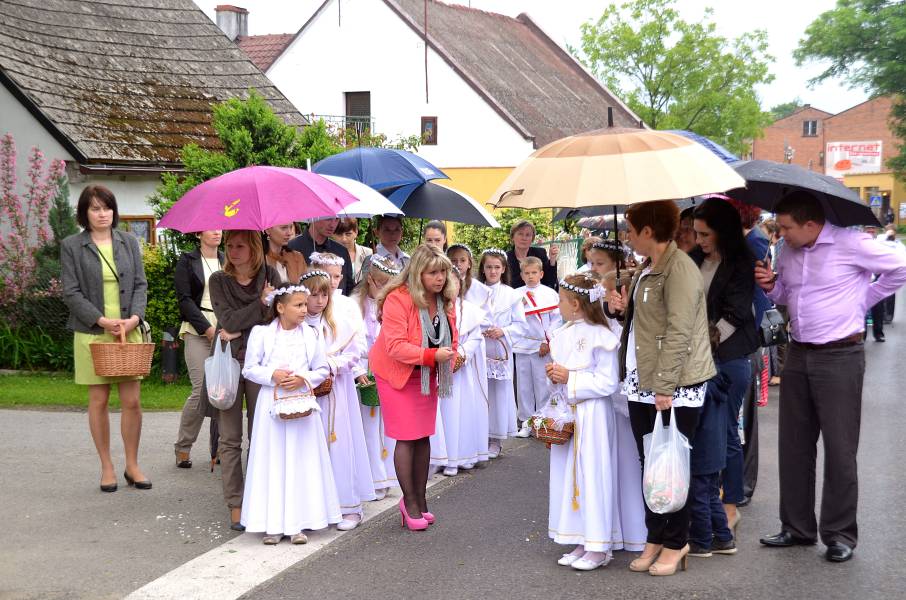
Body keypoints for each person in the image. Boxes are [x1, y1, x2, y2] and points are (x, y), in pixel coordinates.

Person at [755, 191, 906, 563]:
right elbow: (788, 294)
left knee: (839, 449)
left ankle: (839, 534)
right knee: (794, 445)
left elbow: (901, 265)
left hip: (840, 355)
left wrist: (864, 299)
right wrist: (771, 285)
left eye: (786, 227)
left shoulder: (851, 243)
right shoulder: (789, 251)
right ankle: (796, 527)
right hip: (799, 352)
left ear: (811, 224)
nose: (781, 234)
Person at [607, 200, 716, 576]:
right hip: (644, 380)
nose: (628, 236)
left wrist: (666, 386)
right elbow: (647, 322)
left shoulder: (679, 268)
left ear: (648, 231)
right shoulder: (647, 267)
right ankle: (655, 536)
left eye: (631, 230)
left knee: (673, 464)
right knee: (650, 462)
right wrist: (620, 309)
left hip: (672, 383)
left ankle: (676, 541)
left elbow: (679, 332)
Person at [61, 185, 150, 492]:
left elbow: (140, 284)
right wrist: (100, 320)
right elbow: (71, 292)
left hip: (128, 331)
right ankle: (107, 466)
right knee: (98, 402)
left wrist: (134, 318)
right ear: (84, 213)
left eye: (107, 207)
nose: (103, 214)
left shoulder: (129, 241)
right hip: (93, 331)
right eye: (95, 208)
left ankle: (132, 465)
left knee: (132, 402)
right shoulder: (72, 246)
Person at [240, 283, 340, 544]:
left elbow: (321, 369)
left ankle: (299, 523)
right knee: (273, 460)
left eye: (305, 304)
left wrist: (303, 378)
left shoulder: (311, 334)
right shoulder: (261, 334)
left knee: (301, 459)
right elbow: (249, 368)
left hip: (302, 403)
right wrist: (272, 375)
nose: (305, 309)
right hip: (271, 404)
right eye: (298, 305)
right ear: (280, 307)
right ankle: (272, 524)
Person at [369, 245, 459, 531]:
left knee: (423, 436)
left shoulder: (445, 299)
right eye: (433, 273)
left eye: (443, 272)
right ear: (417, 273)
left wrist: (452, 357)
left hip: (425, 374)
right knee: (407, 438)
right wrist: (433, 356)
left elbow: (452, 337)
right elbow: (395, 347)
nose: (440, 278)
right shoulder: (398, 298)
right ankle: (408, 503)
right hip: (396, 374)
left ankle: (421, 499)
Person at [545, 274, 623, 571]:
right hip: (570, 414)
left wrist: (571, 378)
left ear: (576, 304)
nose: (559, 305)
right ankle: (581, 538)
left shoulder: (601, 335)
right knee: (570, 478)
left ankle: (599, 546)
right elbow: (562, 377)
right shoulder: (562, 333)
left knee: (592, 475)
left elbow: (608, 382)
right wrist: (555, 377)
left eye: (561, 300)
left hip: (593, 416)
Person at [690, 198, 758, 533]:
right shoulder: (693, 259)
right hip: (698, 356)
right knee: (703, 433)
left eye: (705, 234)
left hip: (729, 358)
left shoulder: (742, 262)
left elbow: (736, 314)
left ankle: (730, 505)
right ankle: (709, 505)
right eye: (696, 233)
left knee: (727, 431)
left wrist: (704, 342)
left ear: (724, 231)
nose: (699, 240)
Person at [208, 230, 278, 530]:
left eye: (240, 246)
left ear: (253, 248)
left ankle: (259, 498)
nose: (233, 251)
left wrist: (243, 328)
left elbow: (278, 320)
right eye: (229, 246)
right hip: (228, 363)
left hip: (261, 363)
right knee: (230, 437)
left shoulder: (270, 276)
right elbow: (227, 321)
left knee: (261, 433)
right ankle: (235, 503)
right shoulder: (219, 280)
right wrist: (259, 306)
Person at [301, 262, 375, 531]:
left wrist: (329, 366)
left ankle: (348, 506)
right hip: (306, 394)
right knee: (309, 449)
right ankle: (313, 509)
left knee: (339, 447)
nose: (320, 300)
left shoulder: (338, 323)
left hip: (336, 393)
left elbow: (353, 354)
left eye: (324, 294)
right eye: (314, 295)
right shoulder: (296, 324)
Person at [173, 230, 223, 469]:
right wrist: (207, 329)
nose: (217, 231)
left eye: (220, 227)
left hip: (225, 329)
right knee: (200, 388)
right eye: (211, 227)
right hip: (196, 329)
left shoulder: (228, 259)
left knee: (223, 391)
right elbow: (184, 300)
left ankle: (220, 448)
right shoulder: (187, 260)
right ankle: (183, 446)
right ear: (199, 233)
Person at [352, 256, 402, 497]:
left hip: (387, 368)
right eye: (381, 284)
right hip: (364, 370)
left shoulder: (393, 305)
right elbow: (351, 341)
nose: (385, 290)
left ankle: (388, 474)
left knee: (388, 426)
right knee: (368, 427)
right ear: (369, 279)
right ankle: (373, 477)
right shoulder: (355, 305)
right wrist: (358, 369)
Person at [440, 268, 490, 475]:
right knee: (442, 413)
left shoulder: (469, 310)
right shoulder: (434, 307)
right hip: (439, 367)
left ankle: (461, 456)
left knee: (461, 411)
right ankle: (439, 456)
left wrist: (461, 354)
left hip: (462, 371)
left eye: (455, 283)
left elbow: (476, 337)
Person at [477, 248, 526, 458]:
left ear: (503, 269)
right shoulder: (475, 291)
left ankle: (495, 438)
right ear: (483, 269)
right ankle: (478, 436)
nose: (493, 271)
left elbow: (521, 325)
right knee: (480, 394)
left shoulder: (512, 295)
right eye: (489, 267)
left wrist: (503, 331)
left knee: (498, 395)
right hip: (479, 348)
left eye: (497, 267)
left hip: (500, 350)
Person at [688, 370, 736, 558]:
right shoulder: (717, 380)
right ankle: (723, 538)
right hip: (715, 448)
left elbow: (693, 418)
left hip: (700, 447)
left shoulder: (700, 384)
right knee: (711, 494)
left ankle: (701, 541)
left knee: (698, 496)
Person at [512, 256, 560, 438]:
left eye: (534, 272)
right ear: (521, 275)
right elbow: (510, 318)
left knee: (542, 384)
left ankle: (542, 420)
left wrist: (547, 341)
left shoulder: (550, 293)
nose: (531, 276)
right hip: (522, 346)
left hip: (542, 346)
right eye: (527, 273)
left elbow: (557, 320)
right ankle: (526, 421)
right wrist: (519, 306)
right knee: (523, 386)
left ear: (541, 273)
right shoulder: (515, 294)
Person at [287, 218, 354, 295]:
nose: (332, 225)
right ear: (314, 216)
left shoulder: (341, 251)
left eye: (336, 219)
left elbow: (349, 288)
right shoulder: (291, 248)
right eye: (328, 219)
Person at [507, 220, 559, 289]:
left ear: (532, 238)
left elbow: (550, 281)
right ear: (512, 237)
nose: (524, 238)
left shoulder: (540, 253)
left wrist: (552, 259)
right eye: (520, 234)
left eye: (528, 235)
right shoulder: (505, 258)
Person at [447, 243, 491, 308]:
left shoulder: (480, 289)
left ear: (469, 263)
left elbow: (487, 313)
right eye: (453, 260)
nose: (458, 264)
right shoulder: (442, 284)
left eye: (463, 260)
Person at [332, 217, 372, 283]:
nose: (344, 239)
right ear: (333, 234)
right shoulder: (327, 253)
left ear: (356, 232)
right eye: (339, 234)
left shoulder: (367, 253)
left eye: (348, 234)